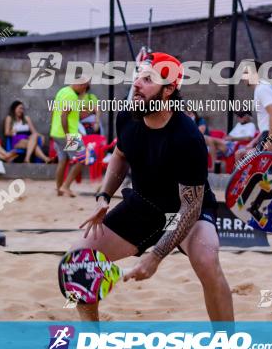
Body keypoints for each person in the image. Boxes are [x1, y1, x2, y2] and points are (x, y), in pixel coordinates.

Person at [68, 51, 233, 323]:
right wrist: (103, 196)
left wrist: (155, 257)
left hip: (186, 212)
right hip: (143, 206)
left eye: (148, 79)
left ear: (168, 90)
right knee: (78, 261)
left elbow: (190, 207)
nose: (136, 84)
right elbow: (120, 155)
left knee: (206, 261)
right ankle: (93, 340)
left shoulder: (187, 137)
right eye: (138, 77)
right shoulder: (128, 117)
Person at [242, 60, 272, 153]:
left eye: (246, 73)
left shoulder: (262, 88)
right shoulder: (264, 87)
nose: (242, 76)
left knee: (254, 163)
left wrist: (271, 141)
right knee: (245, 157)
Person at [50, 81, 87, 197]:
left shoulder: (62, 91)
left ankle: (59, 189)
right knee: (82, 158)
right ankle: (65, 186)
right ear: (80, 85)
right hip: (68, 133)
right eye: (84, 88)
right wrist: (68, 135)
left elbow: (55, 112)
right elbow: (64, 115)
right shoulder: (71, 95)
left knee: (63, 160)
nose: (84, 91)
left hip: (57, 132)